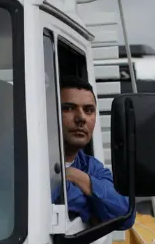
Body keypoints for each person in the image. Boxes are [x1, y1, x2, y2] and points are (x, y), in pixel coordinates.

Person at [51, 76, 135, 231]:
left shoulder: (90, 166)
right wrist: (90, 209)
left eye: (89, 110)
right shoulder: (29, 161)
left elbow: (126, 215)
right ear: (48, 113)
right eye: (68, 108)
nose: (81, 118)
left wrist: (75, 176)